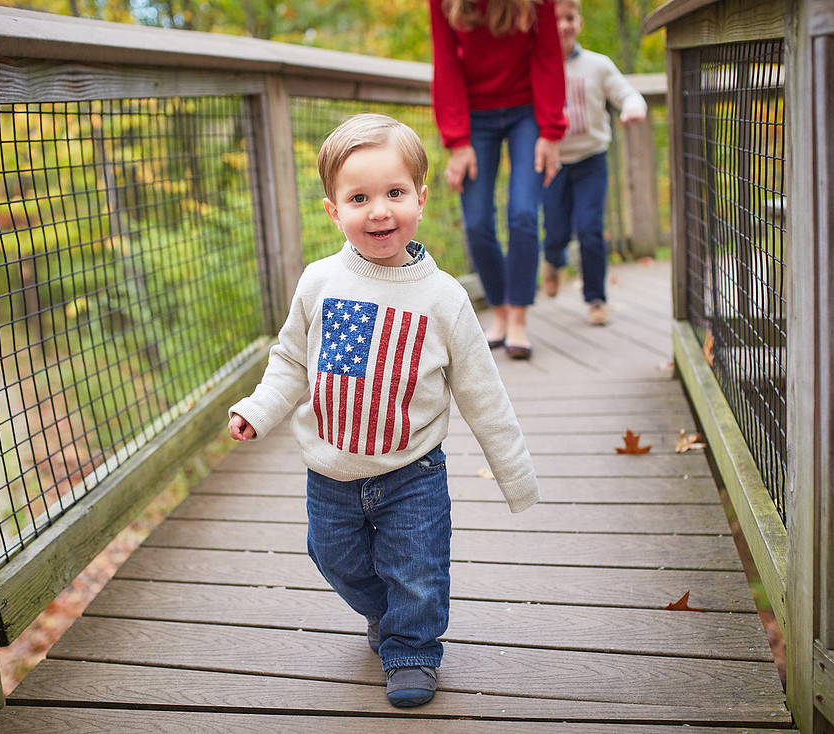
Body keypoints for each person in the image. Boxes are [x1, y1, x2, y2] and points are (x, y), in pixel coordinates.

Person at [227, 113, 539, 709]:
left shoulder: (443, 298)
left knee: (416, 569)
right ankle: (388, 613)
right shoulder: (321, 282)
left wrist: (515, 474)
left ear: (421, 199)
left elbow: (483, 392)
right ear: (333, 210)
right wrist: (259, 409)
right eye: (359, 197)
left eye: (395, 194)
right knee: (332, 557)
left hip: (411, 471)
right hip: (331, 469)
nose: (379, 211)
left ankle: (413, 649)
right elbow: (292, 358)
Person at [429, 0, 567, 359]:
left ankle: (519, 319)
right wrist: (457, 140)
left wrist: (551, 132)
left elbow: (549, 55)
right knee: (475, 221)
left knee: (522, 213)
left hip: (527, 111)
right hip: (475, 115)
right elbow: (445, 62)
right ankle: (501, 316)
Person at [541, 0, 646, 326]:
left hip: (591, 159)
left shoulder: (597, 65)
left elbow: (626, 93)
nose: (563, 26)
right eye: (556, 19)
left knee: (590, 229)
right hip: (552, 163)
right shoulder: (539, 67)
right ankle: (552, 261)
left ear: (579, 22)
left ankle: (596, 298)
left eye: (569, 18)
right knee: (556, 229)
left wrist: (632, 107)